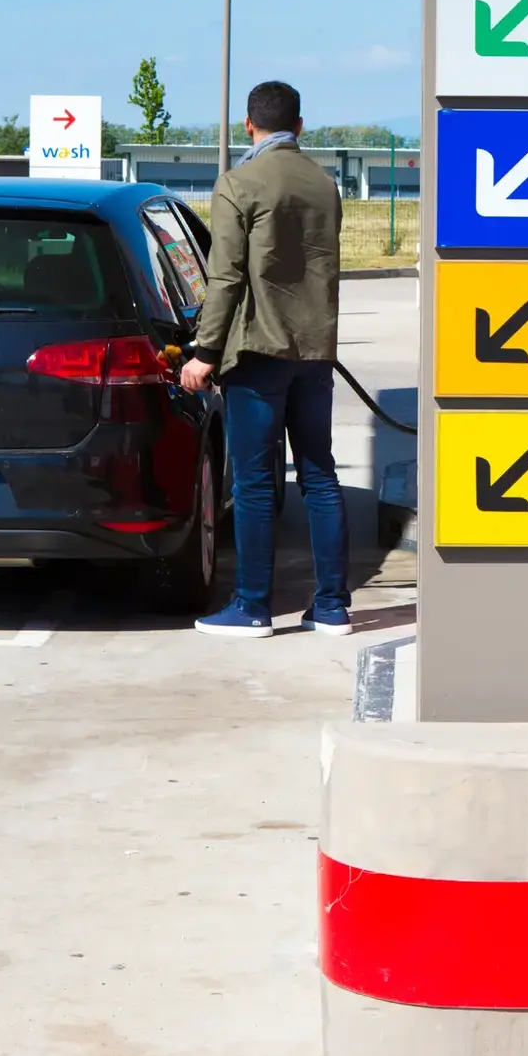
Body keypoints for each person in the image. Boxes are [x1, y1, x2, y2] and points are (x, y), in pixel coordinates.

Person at [181, 80, 351, 638]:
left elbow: (225, 277)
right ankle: (332, 607)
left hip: (258, 352)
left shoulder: (238, 183)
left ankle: (252, 606)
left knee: (255, 483)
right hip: (315, 353)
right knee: (319, 475)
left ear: (248, 126)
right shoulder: (325, 184)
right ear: (299, 126)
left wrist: (205, 353)